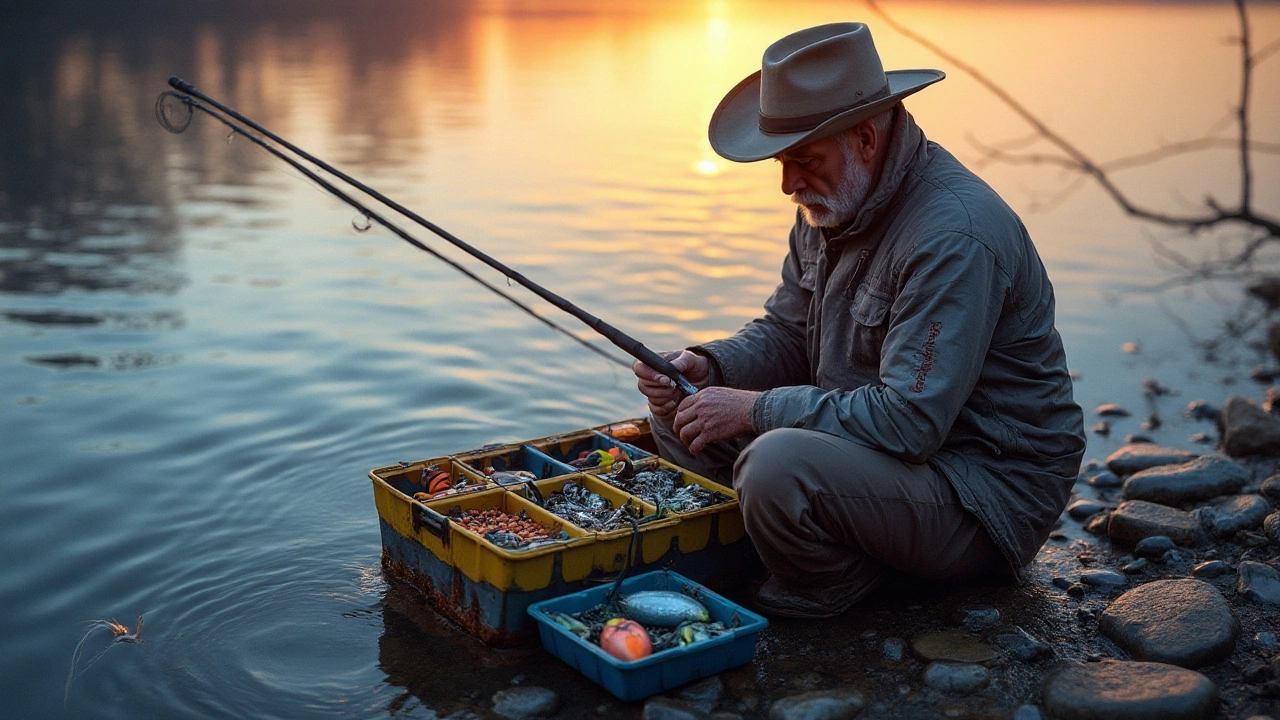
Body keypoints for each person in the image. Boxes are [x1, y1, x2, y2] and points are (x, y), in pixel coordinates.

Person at [632, 22, 1086, 619]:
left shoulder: (953, 237)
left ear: (867, 138)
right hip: (888, 460)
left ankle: (842, 580)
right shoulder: (830, 201)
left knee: (776, 468)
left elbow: (911, 422)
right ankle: (787, 543)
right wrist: (708, 366)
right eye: (781, 161)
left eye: (803, 160)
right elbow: (789, 331)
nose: (788, 183)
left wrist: (753, 409)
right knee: (679, 414)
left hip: (982, 493)